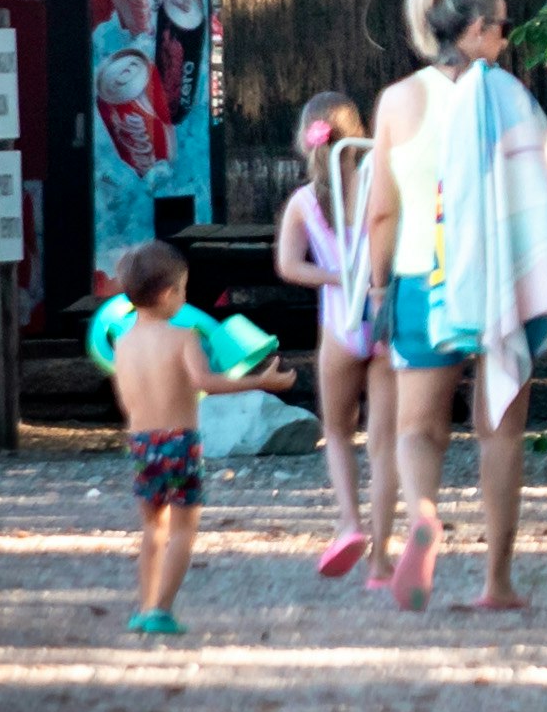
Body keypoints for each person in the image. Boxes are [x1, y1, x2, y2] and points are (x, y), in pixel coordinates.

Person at [353, 0, 547, 614]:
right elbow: (542, 195)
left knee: (416, 428)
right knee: (499, 430)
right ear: (475, 28)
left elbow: (381, 210)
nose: (505, 38)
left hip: (425, 277)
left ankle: (422, 515)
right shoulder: (510, 97)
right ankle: (496, 581)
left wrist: (374, 284)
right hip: (503, 280)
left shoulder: (397, 101)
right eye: (501, 25)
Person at [96, 240, 290, 635]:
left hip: (141, 444)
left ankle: (144, 605)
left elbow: (127, 397)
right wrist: (261, 380)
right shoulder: (184, 337)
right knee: (183, 529)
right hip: (179, 443)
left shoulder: (125, 343)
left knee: (153, 529)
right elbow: (206, 382)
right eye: (183, 291)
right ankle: (161, 612)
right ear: (170, 294)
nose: (185, 299)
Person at [266, 90, 379, 576]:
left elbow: (288, 266)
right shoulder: (381, 185)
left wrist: (338, 277)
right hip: (386, 316)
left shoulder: (304, 202)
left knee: (336, 430)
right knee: (388, 432)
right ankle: (391, 526)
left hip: (339, 322)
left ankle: (350, 522)